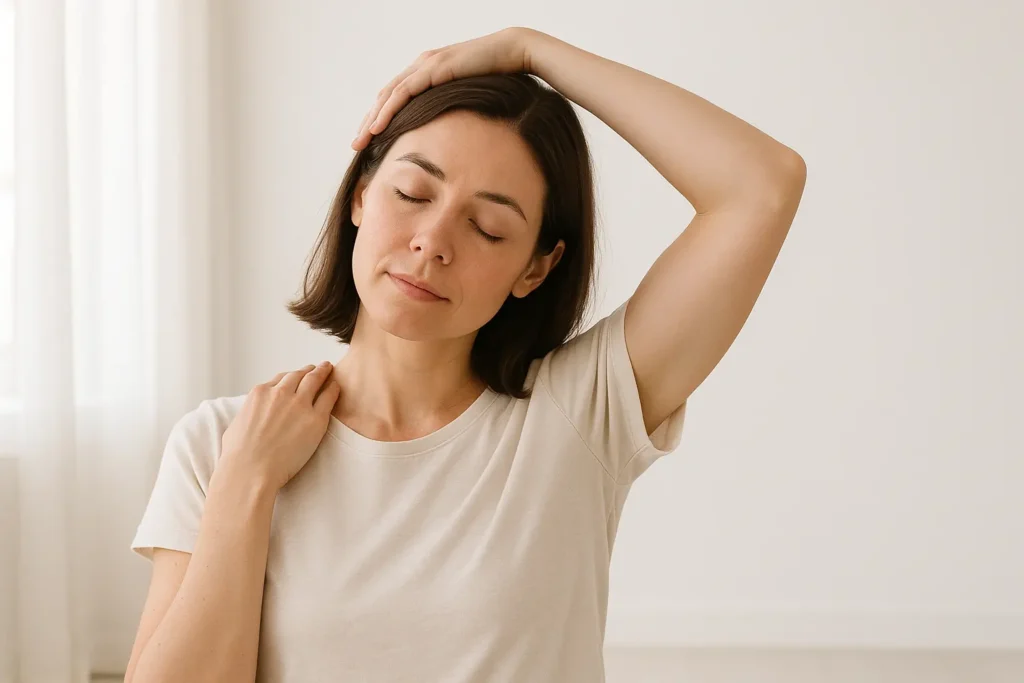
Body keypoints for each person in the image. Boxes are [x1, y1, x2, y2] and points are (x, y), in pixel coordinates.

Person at [124, 26, 806, 683]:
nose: (432, 240)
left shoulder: (578, 415)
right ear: (361, 195)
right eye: (412, 193)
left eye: (487, 226)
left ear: (535, 268)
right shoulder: (221, 443)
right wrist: (246, 483)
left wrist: (531, 48)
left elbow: (762, 186)